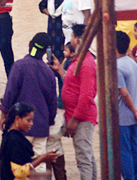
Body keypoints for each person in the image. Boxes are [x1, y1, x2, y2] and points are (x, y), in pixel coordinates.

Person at [0, 34, 61, 177]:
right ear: (46, 52)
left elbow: (10, 93)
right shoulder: (49, 73)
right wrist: (48, 122)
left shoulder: (19, 66)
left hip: (20, 126)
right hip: (41, 127)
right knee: (39, 163)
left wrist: (4, 114)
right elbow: (52, 103)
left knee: (17, 167)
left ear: (30, 44)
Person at [50, 24, 98, 180]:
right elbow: (73, 84)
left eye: (71, 37)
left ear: (78, 39)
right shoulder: (79, 60)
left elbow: (87, 95)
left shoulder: (86, 63)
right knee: (86, 155)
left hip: (81, 118)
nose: (70, 40)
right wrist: (59, 70)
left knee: (84, 158)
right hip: (75, 115)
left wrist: (75, 119)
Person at [0, 101, 59, 180]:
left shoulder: (14, 136)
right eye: (28, 120)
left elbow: (22, 161)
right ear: (17, 119)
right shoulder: (13, 140)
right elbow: (18, 171)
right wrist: (42, 159)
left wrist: (43, 159)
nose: (31, 124)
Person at [115, 30, 137, 180]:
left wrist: (134, 110)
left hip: (123, 116)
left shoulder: (117, 66)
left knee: (124, 152)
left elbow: (124, 93)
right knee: (135, 150)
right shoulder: (132, 63)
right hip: (134, 116)